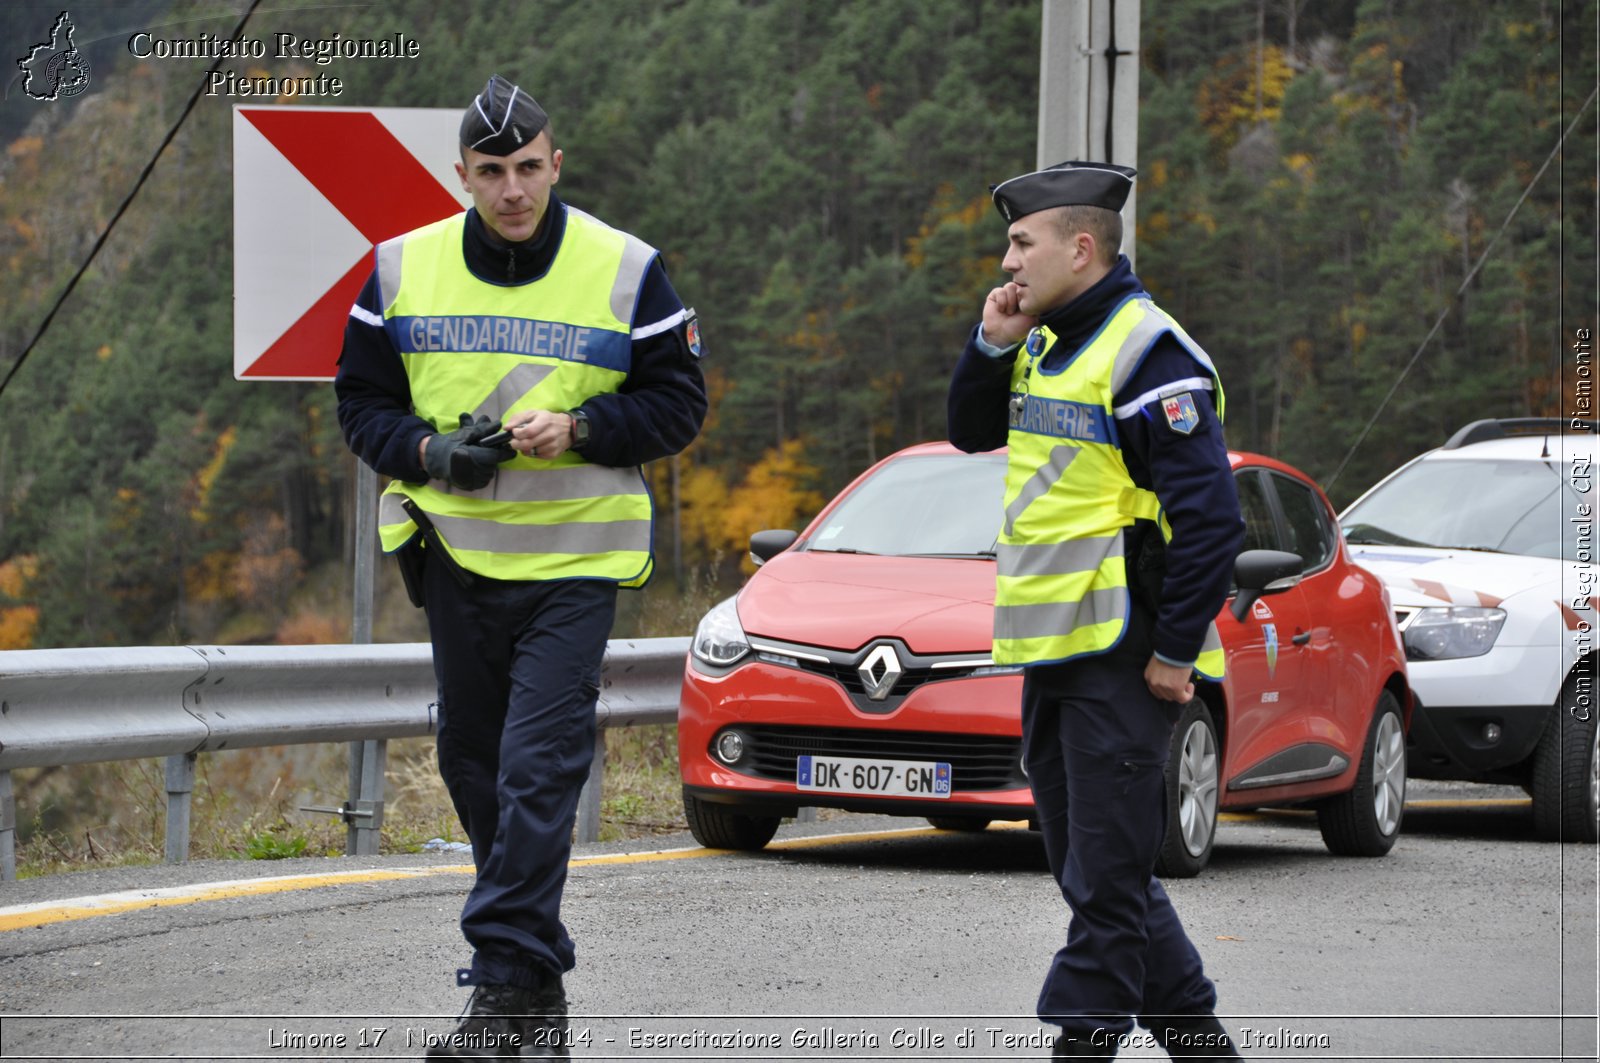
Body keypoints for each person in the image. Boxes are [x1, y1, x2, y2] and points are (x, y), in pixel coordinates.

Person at [334, 75, 707, 1058]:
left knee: (537, 768)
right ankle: (536, 1001)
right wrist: (429, 454)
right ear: (460, 173)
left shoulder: (626, 268)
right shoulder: (399, 268)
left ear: (556, 162)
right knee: (473, 766)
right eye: (491, 172)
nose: (511, 189)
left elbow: (680, 405)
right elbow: (360, 409)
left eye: (527, 168)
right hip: (454, 559)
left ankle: (499, 989)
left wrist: (584, 427)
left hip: (577, 562)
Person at [947, 161, 1246, 1061]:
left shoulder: (1150, 354)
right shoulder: (1043, 337)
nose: (1006, 261)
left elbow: (1213, 523)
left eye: (1021, 243)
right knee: (1096, 876)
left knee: (1108, 888)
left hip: (1127, 658)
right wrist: (993, 342)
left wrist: (1173, 653)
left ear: (1082, 248)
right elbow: (969, 430)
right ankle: (1206, 1048)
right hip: (1058, 652)